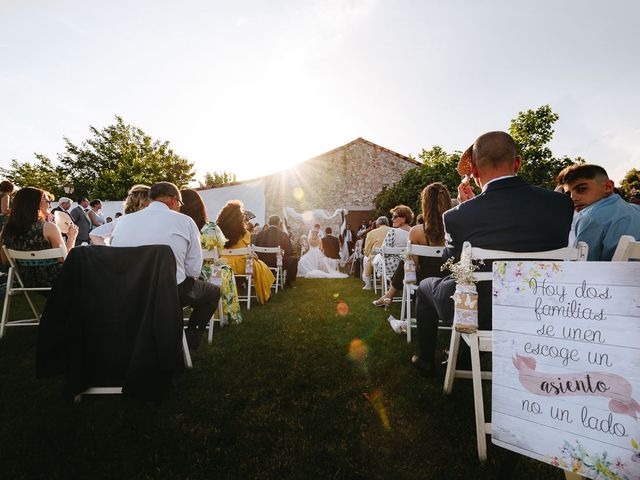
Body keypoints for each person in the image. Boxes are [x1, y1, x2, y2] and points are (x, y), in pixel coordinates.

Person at [411, 131, 574, 377]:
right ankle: (464, 357)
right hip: (540, 307)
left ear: (474, 171)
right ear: (517, 163)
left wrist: (466, 206)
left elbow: (451, 264)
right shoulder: (561, 204)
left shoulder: (457, 216)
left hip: (479, 311)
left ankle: (426, 360)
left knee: (426, 287)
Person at [111, 182, 220, 350]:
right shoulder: (185, 221)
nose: (180, 208)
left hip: (129, 291)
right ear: (173, 200)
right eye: (180, 204)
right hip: (169, 291)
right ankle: (188, 343)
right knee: (213, 292)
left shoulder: (123, 222)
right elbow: (193, 270)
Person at [373, 183, 451, 307]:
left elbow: (413, 267)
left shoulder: (416, 232)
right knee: (406, 258)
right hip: (450, 285)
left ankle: (389, 295)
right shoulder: (456, 229)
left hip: (422, 288)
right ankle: (388, 296)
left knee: (406, 259)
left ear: (425, 204)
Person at [180, 189, 242, 323]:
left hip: (181, 273)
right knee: (226, 270)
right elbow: (219, 252)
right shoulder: (211, 228)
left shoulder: (177, 228)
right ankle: (225, 316)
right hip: (207, 273)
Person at [556, 164, 640, 261]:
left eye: (581, 189)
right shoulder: (636, 209)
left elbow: (582, 264)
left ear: (608, 187)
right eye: (568, 194)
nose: (573, 198)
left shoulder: (589, 217)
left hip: (611, 275)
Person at [0, 187, 79, 288]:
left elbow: (5, 260)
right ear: (36, 203)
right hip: (55, 280)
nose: (49, 203)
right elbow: (65, 260)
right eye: (46, 200)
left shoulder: (6, 230)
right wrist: (72, 237)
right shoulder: (48, 228)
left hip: (24, 280)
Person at [216, 200, 275, 304]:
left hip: (223, 266)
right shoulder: (245, 233)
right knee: (261, 266)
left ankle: (233, 292)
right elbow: (247, 251)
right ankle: (266, 293)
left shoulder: (217, 232)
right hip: (242, 266)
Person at [254, 214, 298, 287]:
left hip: (262, 262)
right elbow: (289, 250)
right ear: (278, 223)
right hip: (277, 262)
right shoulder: (283, 235)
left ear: (268, 223)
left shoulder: (260, 234)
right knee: (294, 259)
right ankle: (288, 283)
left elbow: (256, 249)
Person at [361, 216, 390, 290]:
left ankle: (368, 284)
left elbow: (367, 249)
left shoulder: (371, 233)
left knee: (367, 259)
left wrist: (367, 254)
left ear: (377, 224)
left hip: (376, 259)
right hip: (392, 258)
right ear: (387, 223)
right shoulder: (394, 230)